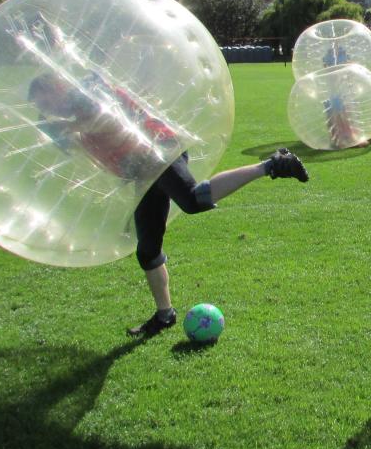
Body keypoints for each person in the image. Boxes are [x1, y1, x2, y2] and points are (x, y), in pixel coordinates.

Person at [27, 73, 309, 338]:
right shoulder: (71, 112)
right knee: (148, 250)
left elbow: (108, 120)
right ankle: (165, 315)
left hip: (157, 150)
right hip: (141, 171)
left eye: (44, 101)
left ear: (55, 88)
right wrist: (65, 134)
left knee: (191, 199)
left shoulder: (86, 91)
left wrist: (70, 126)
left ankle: (274, 164)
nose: (46, 109)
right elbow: (89, 149)